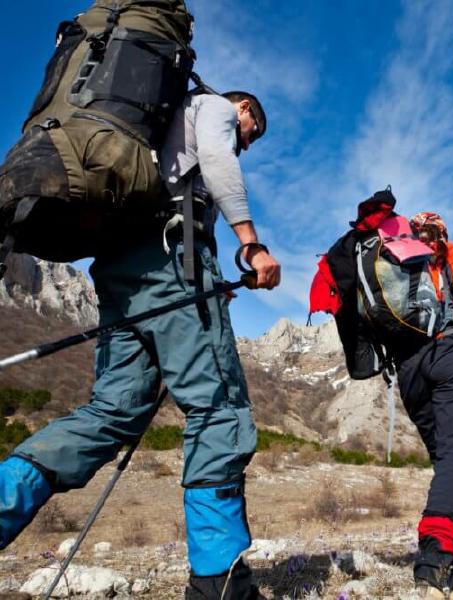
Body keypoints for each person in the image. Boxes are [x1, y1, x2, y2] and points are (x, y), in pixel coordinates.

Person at [0, 89, 280, 600]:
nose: (247, 143)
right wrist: (250, 243)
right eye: (251, 132)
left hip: (118, 271)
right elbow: (217, 162)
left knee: (111, 412)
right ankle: (221, 586)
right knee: (218, 410)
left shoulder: (153, 126)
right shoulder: (211, 107)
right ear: (243, 108)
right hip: (172, 260)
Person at [391, 211, 453, 599]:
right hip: (448, 354)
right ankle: (434, 556)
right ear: (440, 234)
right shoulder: (448, 252)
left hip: (408, 368)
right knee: (451, 459)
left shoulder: (395, 257)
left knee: (443, 460)